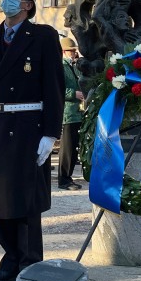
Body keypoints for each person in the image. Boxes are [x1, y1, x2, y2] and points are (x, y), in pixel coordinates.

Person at [0, 0, 64, 281]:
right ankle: (10, 259)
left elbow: (54, 87)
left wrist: (51, 133)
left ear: (27, 4)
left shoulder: (43, 37)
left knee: (25, 201)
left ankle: (29, 262)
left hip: (28, 128)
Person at [58, 37, 84, 190]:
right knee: (67, 148)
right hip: (68, 112)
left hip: (77, 111)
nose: (74, 54)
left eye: (75, 51)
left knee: (73, 147)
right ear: (63, 52)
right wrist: (74, 93)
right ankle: (64, 179)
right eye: (71, 51)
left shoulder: (73, 66)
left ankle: (69, 176)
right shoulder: (61, 66)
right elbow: (57, 88)